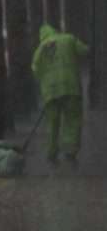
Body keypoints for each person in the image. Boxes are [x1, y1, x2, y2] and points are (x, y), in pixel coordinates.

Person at [32, 24, 89, 167]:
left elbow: (35, 70)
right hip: (71, 87)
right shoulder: (69, 39)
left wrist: (45, 83)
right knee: (73, 119)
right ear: (55, 31)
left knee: (53, 124)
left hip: (51, 93)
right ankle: (70, 152)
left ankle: (52, 154)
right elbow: (84, 51)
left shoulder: (40, 49)